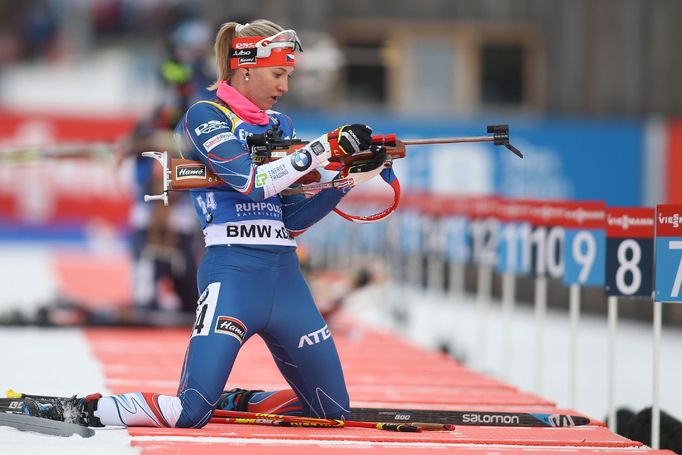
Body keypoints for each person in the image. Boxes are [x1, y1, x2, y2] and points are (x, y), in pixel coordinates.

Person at [23, 19, 385, 428]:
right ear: (245, 68)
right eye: (278, 74)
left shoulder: (280, 126)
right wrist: (323, 148)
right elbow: (251, 183)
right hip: (232, 275)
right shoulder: (204, 115)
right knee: (190, 411)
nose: (284, 87)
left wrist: (345, 179)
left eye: (288, 76)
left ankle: (236, 400)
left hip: (285, 279)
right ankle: (86, 409)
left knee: (330, 412)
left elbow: (290, 222)